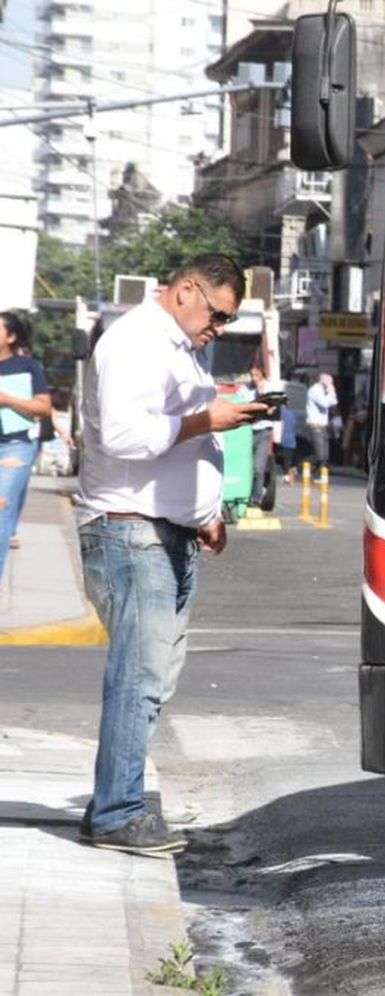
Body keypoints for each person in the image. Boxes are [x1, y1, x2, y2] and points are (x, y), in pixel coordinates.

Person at [75, 253, 266, 856]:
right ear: (187, 289)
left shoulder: (179, 347)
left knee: (153, 678)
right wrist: (207, 418)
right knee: (139, 677)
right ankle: (117, 813)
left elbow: (176, 437)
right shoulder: (136, 342)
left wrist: (203, 512)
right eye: (218, 314)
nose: (220, 329)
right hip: (131, 533)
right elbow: (126, 437)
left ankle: (116, 796)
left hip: (164, 532)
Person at [0, 311, 53, 578]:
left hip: (15, 445)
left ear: (10, 337)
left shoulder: (27, 367)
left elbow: (44, 408)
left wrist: (8, 400)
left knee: (1, 506)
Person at [237, 364, 276, 507]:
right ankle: (243, 495)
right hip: (247, 430)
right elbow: (239, 403)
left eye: (256, 376)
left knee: (258, 468)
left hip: (264, 430)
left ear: (262, 375)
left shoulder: (269, 387)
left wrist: (261, 393)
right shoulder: (245, 388)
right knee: (244, 466)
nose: (254, 379)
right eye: (252, 376)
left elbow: (272, 408)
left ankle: (256, 498)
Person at [304, 371, 338, 472]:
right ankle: (298, 466)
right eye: (330, 382)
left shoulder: (324, 391)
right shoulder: (314, 390)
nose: (331, 385)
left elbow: (334, 403)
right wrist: (331, 393)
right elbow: (324, 403)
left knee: (325, 456)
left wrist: (331, 393)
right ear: (324, 381)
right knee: (319, 455)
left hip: (323, 426)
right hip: (315, 426)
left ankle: (320, 475)